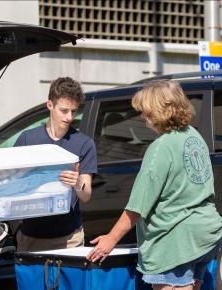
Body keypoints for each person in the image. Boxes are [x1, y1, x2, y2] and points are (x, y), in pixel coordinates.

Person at [87, 80, 222, 290]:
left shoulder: (160, 148)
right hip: (206, 234)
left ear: (159, 111)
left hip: (176, 241)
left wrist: (111, 239)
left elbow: (138, 205)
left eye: (145, 111)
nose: (142, 116)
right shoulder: (194, 136)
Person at [14, 77, 97, 251]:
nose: (69, 117)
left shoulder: (84, 143)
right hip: (30, 236)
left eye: (74, 111)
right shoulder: (28, 139)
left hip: (69, 237)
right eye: (64, 110)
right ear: (49, 105)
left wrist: (77, 183)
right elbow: (12, 180)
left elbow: (86, 195)